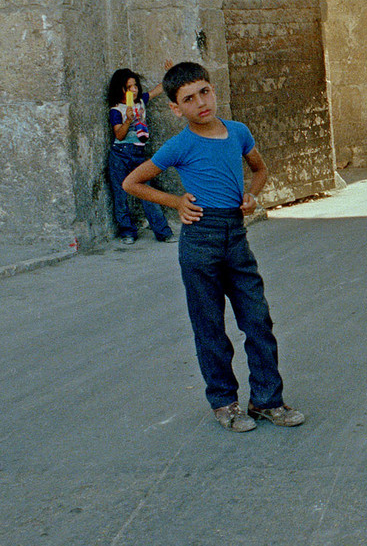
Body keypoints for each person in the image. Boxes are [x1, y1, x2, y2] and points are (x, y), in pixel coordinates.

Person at [122, 61, 304, 433]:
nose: (201, 102)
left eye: (205, 91)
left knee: (258, 320)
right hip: (200, 238)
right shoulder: (180, 144)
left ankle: (267, 401)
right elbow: (132, 182)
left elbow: (260, 170)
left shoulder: (238, 133)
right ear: (176, 109)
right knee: (209, 326)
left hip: (235, 237)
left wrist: (251, 197)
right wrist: (176, 203)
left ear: (213, 90)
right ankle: (224, 402)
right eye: (189, 98)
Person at [106, 62, 175, 245]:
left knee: (147, 192)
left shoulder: (141, 102)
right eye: (129, 87)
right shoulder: (116, 110)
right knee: (120, 195)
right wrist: (128, 120)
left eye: (135, 86)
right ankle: (127, 231)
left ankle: (163, 232)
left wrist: (169, 72)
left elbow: (158, 89)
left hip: (138, 154)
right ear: (119, 89)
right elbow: (119, 135)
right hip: (120, 154)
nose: (134, 90)